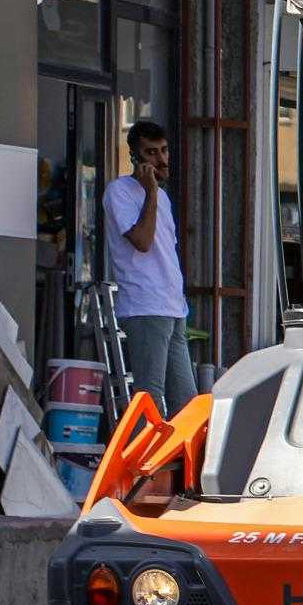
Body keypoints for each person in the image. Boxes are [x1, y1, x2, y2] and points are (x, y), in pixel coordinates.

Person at [105, 120, 196, 418]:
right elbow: (142, 241)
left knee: (187, 402)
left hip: (172, 306)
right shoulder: (120, 191)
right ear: (135, 157)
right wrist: (152, 192)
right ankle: (142, 463)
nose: (162, 159)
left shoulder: (163, 199)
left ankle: (182, 463)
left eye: (165, 150)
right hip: (145, 305)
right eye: (152, 153)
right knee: (149, 399)